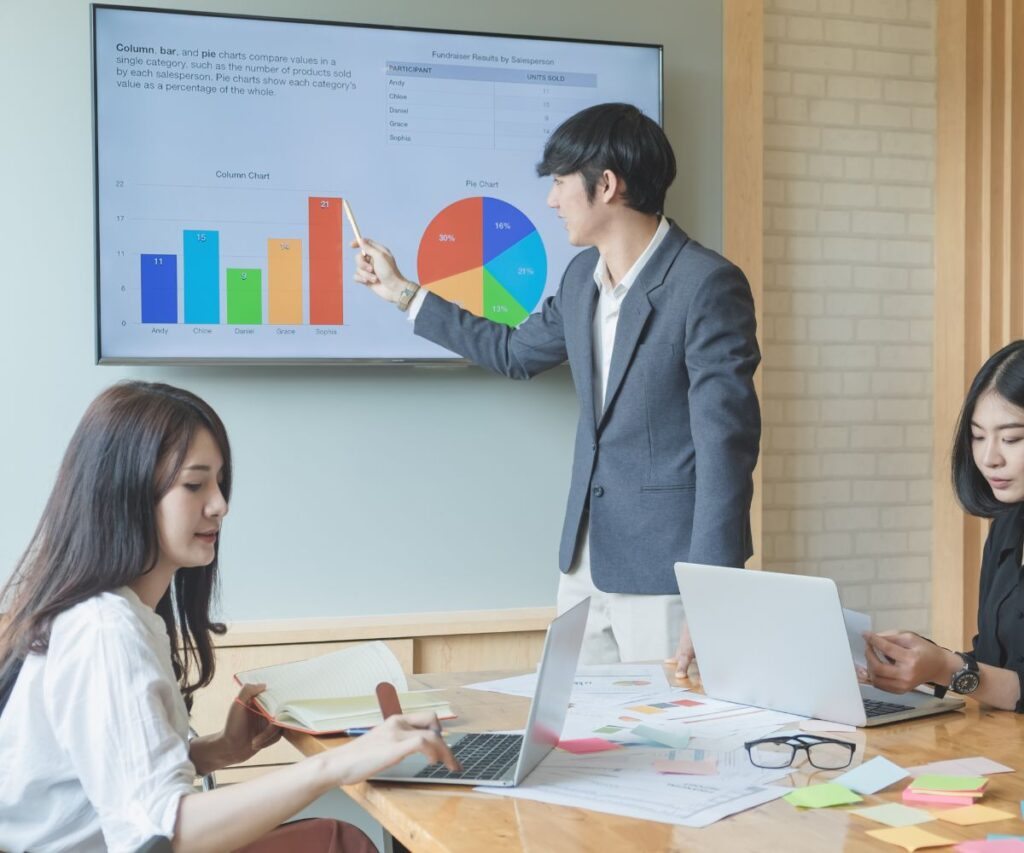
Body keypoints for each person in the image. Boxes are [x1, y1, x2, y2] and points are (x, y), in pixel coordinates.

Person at [353, 103, 760, 671]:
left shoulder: (706, 285)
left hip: (669, 574)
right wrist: (402, 292)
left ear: (607, 185)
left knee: (676, 743)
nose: (551, 200)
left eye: (561, 182)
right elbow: (514, 353)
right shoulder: (580, 281)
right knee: (583, 732)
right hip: (583, 565)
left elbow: (726, 446)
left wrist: (713, 590)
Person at [0, 382, 458, 853]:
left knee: (335, 841)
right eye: (194, 484)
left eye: (219, 482)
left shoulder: (121, 617)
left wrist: (219, 750)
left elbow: (117, 780)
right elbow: (165, 834)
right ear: (125, 493)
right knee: (340, 844)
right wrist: (335, 766)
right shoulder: (104, 630)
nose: (220, 504)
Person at [862, 340, 1024, 711]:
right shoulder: (1008, 525)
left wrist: (949, 668)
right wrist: (920, 662)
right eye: (978, 436)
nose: (988, 458)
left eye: (1012, 438)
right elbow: (996, 661)